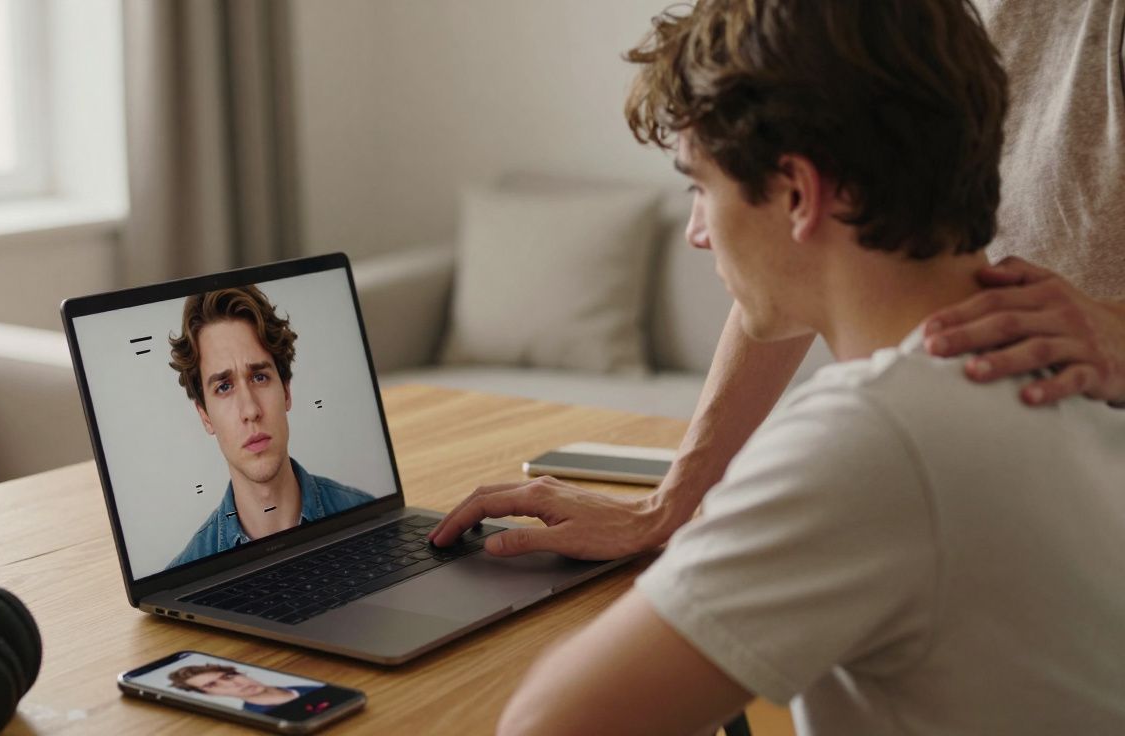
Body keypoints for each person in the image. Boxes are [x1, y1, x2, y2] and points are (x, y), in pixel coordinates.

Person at [489, 2, 1125, 734]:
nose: (696, 233)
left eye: (700, 187)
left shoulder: (878, 442)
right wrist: (676, 505)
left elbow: (542, 726)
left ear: (798, 192)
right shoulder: (1066, 399)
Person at [166, 286, 373, 570]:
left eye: (260, 377)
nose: (250, 410)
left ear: (286, 391)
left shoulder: (366, 518)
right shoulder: (187, 573)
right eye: (224, 387)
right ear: (205, 416)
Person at [167, 663, 322, 713]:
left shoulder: (311, 687)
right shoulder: (262, 716)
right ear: (209, 694)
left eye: (228, 676)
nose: (235, 684)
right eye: (212, 685)